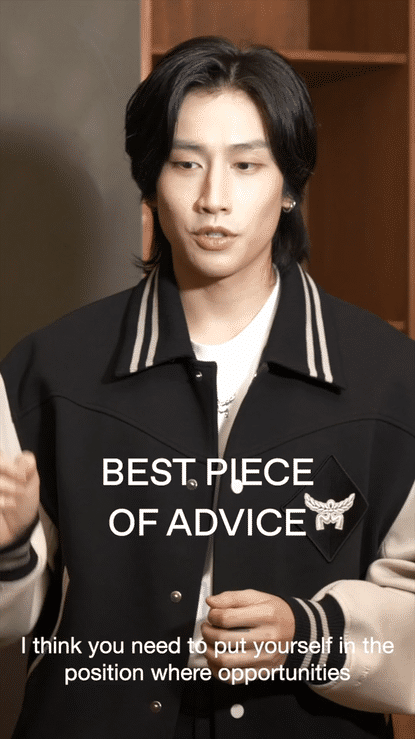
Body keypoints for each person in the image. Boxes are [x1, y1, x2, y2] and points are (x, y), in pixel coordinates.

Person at [0, 36, 414, 739]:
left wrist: (308, 630)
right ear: (149, 182)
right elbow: (18, 616)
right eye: (185, 163)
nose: (213, 199)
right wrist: (11, 545)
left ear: (289, 186)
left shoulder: (391, 379)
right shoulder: (49, 369)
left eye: (246, 165)